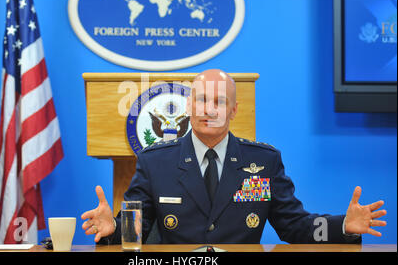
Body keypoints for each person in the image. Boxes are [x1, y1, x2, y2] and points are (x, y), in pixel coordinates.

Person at [81, 69, 387, 244]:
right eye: (201, 100)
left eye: (219, 101)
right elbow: (137, 228)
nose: (209, 109)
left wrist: (343, 226)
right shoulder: (155, 161)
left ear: (233, 110)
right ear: (189, 106)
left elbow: (295, 226)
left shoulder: (264, 161)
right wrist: (113, 228)